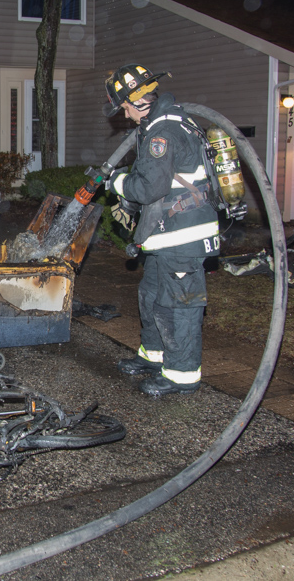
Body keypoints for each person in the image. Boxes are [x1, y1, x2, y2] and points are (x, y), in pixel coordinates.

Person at [103, 63, 220, 397]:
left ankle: (182, 375)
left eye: (124, 107)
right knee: (152, 295)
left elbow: (148, 188)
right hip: (165, 235)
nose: (125, 115)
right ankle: (154, 356)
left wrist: (117, 182)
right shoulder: (159, 125)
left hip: (183, 238)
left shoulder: (163, 132)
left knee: (179, 306)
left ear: (137, 101)